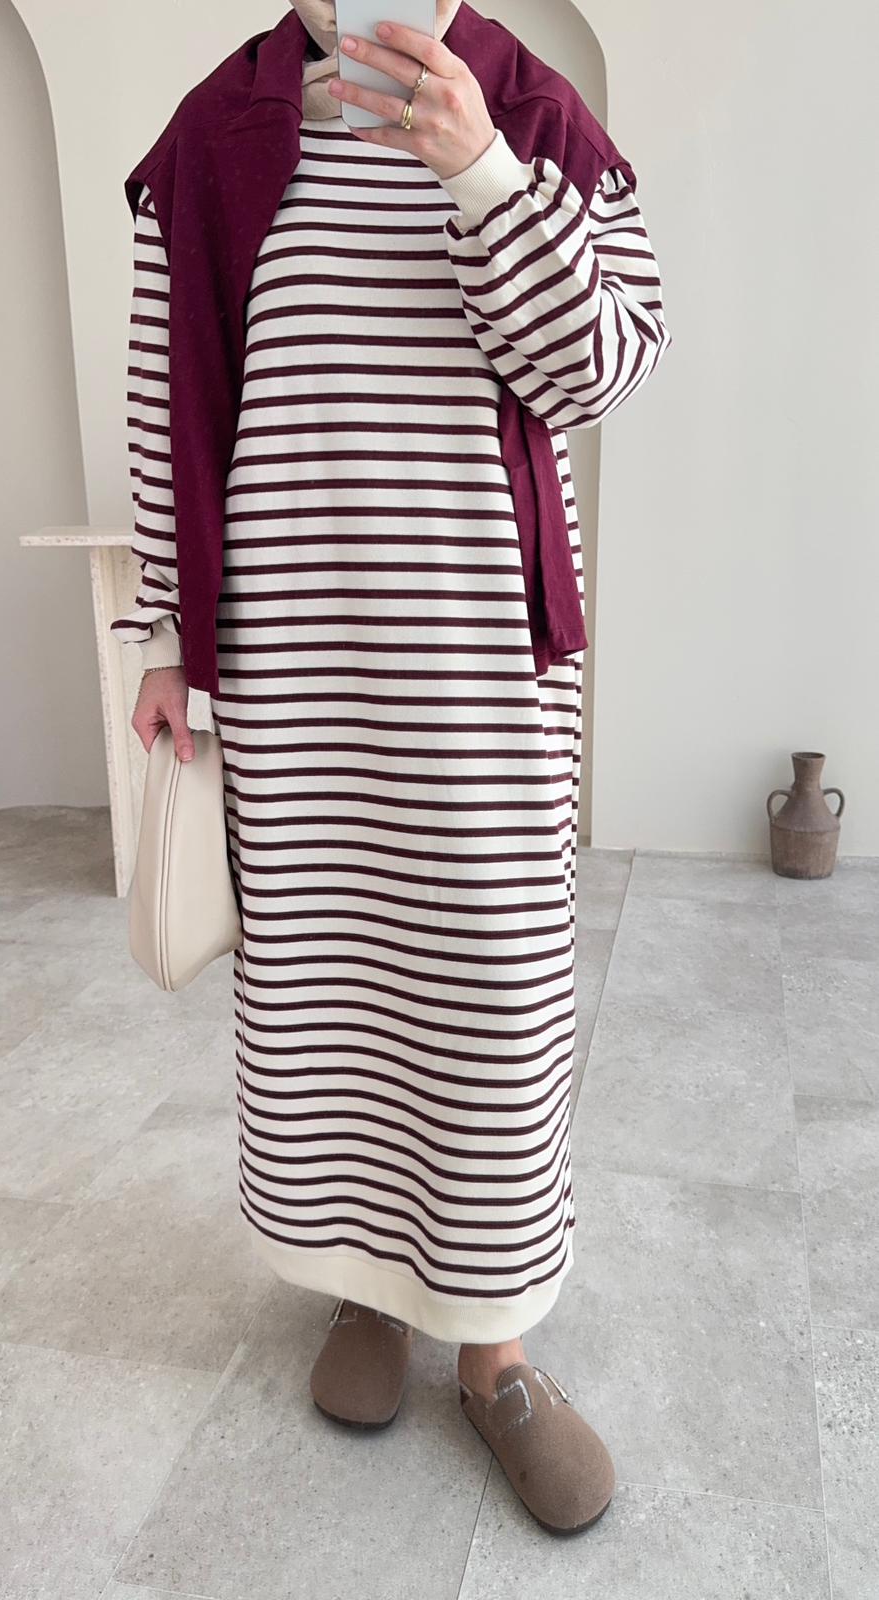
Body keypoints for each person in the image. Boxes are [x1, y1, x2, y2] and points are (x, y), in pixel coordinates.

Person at [111, 0, 671, 1536]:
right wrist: (163, 631)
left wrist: (482, 172)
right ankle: (362, 1283)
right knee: (327, 982)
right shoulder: (218, 132)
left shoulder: (533, 114)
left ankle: (493, 1344)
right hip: (293, 667)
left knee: (493, 989)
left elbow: (609, 367)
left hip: (479, 666)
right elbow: (173, 400)